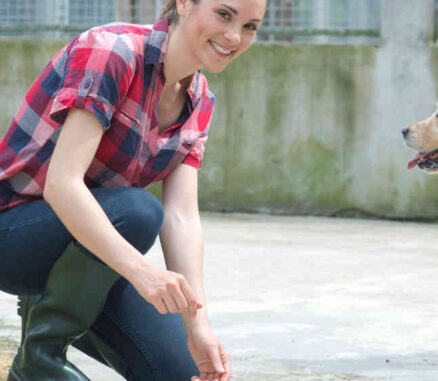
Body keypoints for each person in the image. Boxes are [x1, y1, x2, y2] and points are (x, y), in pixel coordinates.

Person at [0, 0, 266, 380]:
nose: (234, 36)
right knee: (138, 211)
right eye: (224, 14)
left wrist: (198, 325)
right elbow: (63, 184)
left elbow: (182, 217)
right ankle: (38, 360)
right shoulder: (112, 51)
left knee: (180, 371)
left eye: (251, 26)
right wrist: (142, 271)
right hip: (13, 232)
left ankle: (50, 303)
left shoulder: (200, 101)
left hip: (92, 253)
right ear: (184, 4)